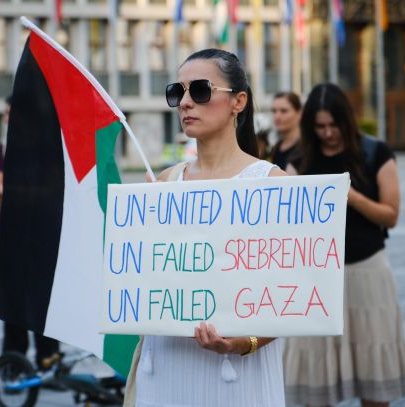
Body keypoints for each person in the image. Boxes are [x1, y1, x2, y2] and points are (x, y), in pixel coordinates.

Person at [125, 49, 287, 407]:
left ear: (238, 101)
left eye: (199, 90)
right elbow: (142, 278)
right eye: (176, 92)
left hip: (232, 374)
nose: (185, 102)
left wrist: (243, 343)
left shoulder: (271, 183)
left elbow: (296, 300)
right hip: (165, 365)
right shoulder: (165, 183)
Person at [283, 83, 405, 407]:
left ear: (347, 121)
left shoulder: (375, 153)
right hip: (318, 279)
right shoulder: (298, 161)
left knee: (374, 374)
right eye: (320, 126)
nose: (328, 133)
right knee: (317, 378)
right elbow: (287, 222)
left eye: (334, 125)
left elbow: (391, 215)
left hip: (367, 271)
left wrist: (351, 197)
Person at [0, 95, 62, 371]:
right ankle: (14, 364)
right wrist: (28, 193)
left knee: (45, 301)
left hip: (43, 235)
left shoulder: (47, 148)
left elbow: (52, 192)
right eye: (6, 114)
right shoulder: (4, 149)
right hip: (10, 236)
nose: (8, 118)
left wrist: (15, 193)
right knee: (12, 304)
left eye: (13, 113)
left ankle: (48, 362)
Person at [269, 91, 302, 170]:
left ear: (299, 113)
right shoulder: (275, 148)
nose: (277, 116)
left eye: (284, 111)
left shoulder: (309, 147)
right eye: (274, 111)